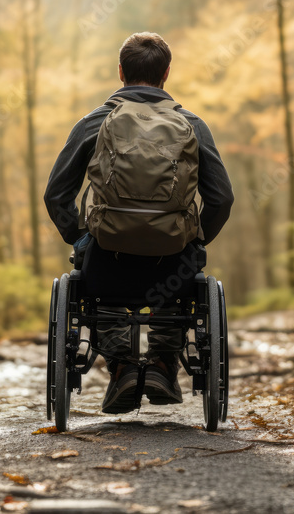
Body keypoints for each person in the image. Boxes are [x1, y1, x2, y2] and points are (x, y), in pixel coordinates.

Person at [44, 32, 234, 415]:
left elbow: (57, 195)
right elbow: (221, 198)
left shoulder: (94, 122)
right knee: (183, 264)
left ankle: (122, 366)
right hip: (172, 261)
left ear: (120, 72)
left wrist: (80, 236)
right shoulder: (191, 124)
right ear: (166, 73)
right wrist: (196, 239)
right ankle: (164, 365)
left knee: (92, 270)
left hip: (106, 260)